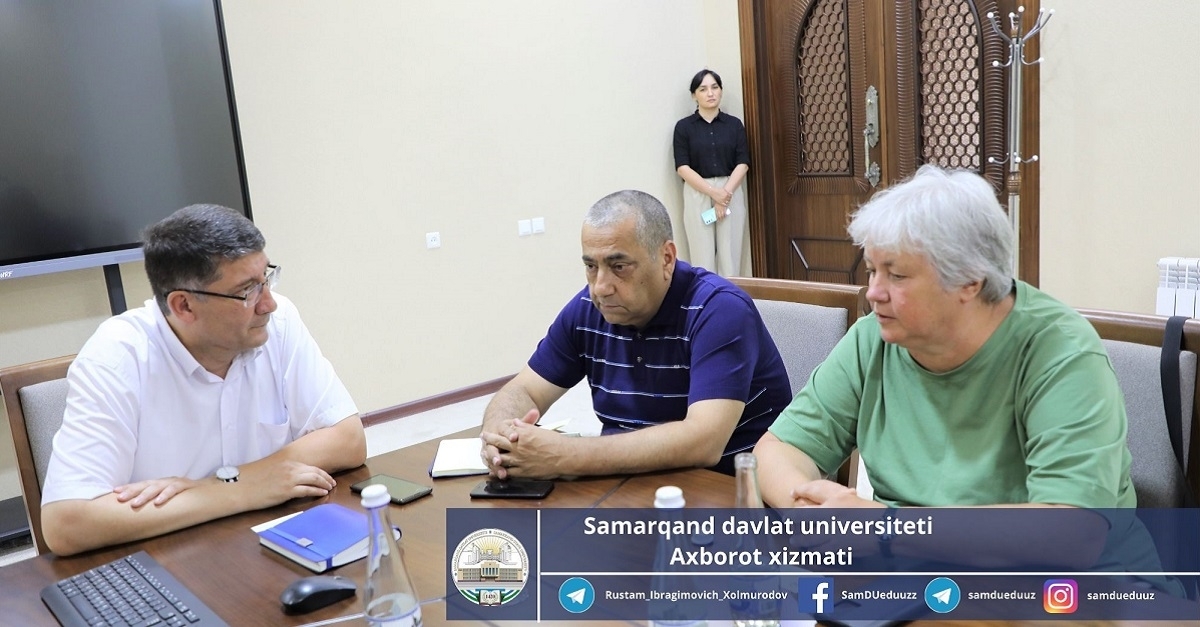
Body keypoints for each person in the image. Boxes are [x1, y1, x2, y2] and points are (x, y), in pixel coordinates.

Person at [752, 165, 1178, 581]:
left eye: (896, 275)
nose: (873, 293)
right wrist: (809, 514)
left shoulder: (1061, 353)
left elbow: (1070, 536)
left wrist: (887, 530)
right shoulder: (874, 340)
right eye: (871, 270)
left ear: (970, 281)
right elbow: (780, 449)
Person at [40, 205, 366, 556]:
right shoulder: (118, 356)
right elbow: (66, 523)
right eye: (247, 291)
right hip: (170, 563)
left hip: (272, 546)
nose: (268, 304)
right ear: (183, 306)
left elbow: (347, 439)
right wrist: (238, 490)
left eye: (266, 279)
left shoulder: (278, 322)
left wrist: (224, 483)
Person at [480, 190, 791, 478]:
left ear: (667, 258)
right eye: (591, 266)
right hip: (627, 487)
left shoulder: (719, 310)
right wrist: (500, 435)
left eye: (619, 266)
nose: (600, 285)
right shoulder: (589, 309)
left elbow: (703, 441)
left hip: (730, 494)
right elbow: (524, 390)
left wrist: (565, 454)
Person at [673, 68, 750, 277]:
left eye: (715, 87)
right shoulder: (683, 127)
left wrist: (724, 193)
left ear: (721, 91)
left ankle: (732, 300)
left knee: (730, 253)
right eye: (703, 89)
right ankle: (706, 303)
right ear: (694, 95)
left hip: (730, 191)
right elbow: (682, 167)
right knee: (702, 255)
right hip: (698, 192)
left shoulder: (734, 125)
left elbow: (742, 162)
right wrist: (713, 193)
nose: (710, 93)